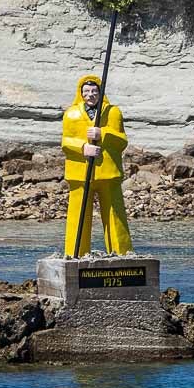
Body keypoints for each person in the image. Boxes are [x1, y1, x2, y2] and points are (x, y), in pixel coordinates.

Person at [61, 74, 132, 257]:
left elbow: (122, 140)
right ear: (81, 93)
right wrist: (83, 147)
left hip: (108, 172)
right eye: (86, 91)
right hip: (80, 173)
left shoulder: (113, 112)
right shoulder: (71, 113)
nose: (90, 94)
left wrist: (104, 134)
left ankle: (121, 253)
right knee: (78, 217)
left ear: (100, 93)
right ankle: (74, 253)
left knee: (115, 217)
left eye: (94, 91)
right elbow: (66, 142)